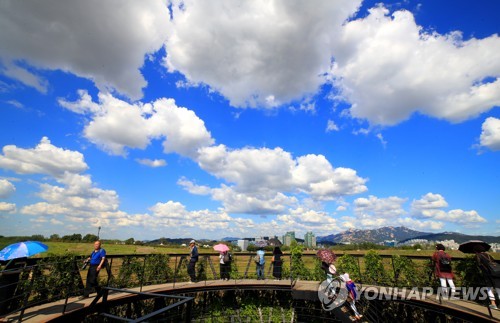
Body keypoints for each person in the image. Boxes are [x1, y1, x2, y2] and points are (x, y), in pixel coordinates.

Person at [474, 245, 499, 310]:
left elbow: (479, 266)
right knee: (498, 288)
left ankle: (493, 304)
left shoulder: (478, 256)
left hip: (488, 275)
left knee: (489, 289)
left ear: (477, 251)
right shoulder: (489, 255)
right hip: (496, 273)